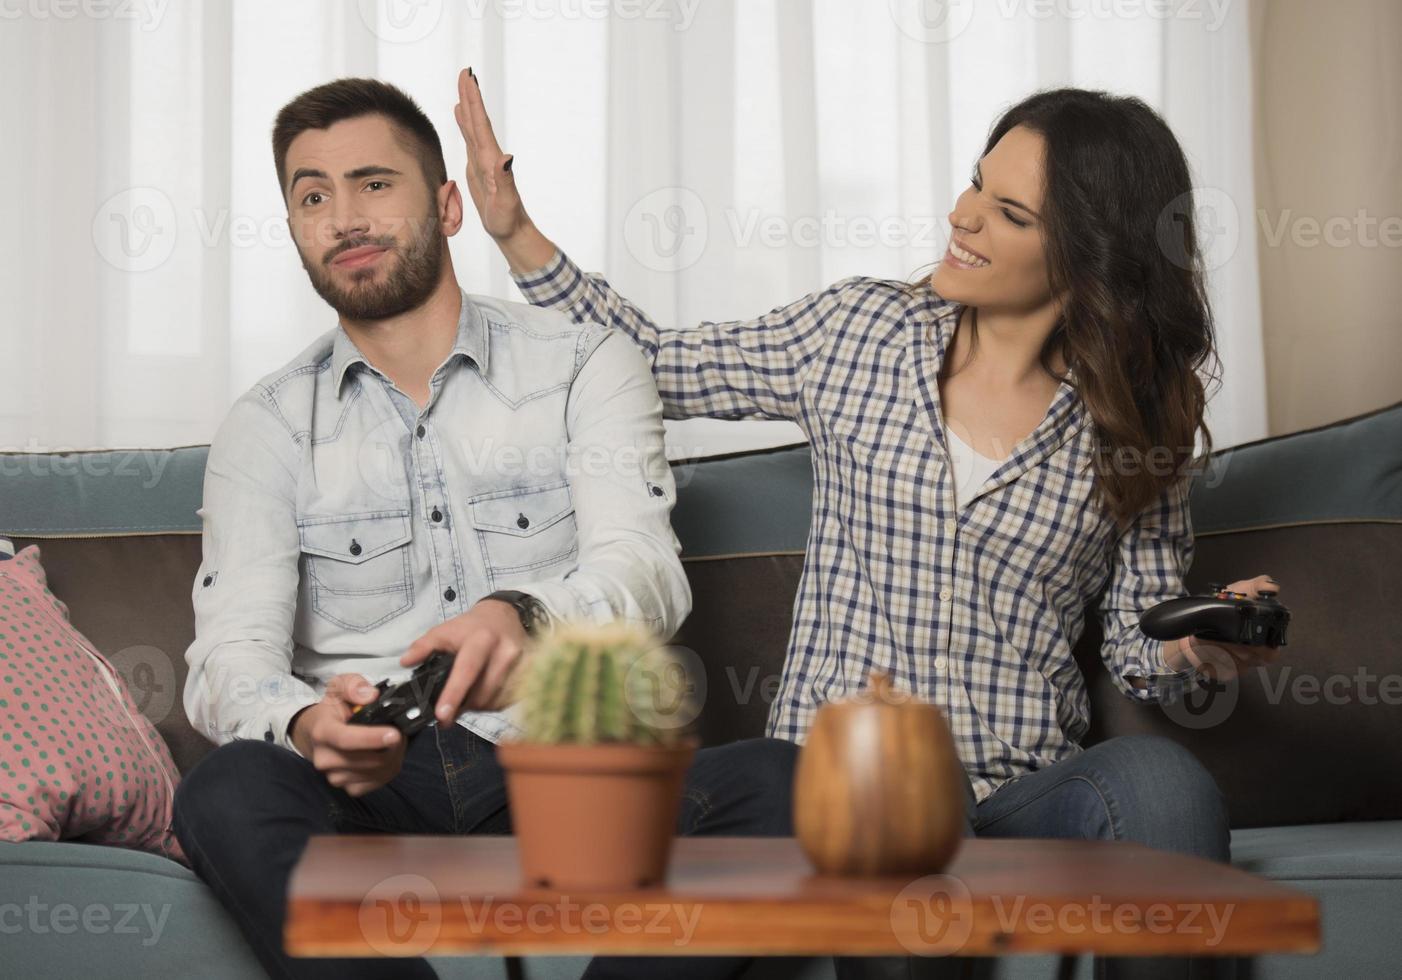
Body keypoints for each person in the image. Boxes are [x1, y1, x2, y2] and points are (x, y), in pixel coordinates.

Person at [460, 68, 1282, 980]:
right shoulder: (859, 332)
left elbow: (1139, 637)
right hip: (841, 778)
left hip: (1017, 785)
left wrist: (1192, 648)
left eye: (1010, 213)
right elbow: (655, 361)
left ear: (1087, 256)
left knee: (1168, 785)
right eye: (976, 182)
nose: (962, 215)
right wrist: (515, 233)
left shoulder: (1134, 421)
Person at [173, 76, 798, 980]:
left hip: (574, 779)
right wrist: (307, 722)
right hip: (375, 791)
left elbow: (646, 573)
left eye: (374, 183)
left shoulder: (588, 364)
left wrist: (524, 614)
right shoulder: (263, 428)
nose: (344, 216)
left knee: (788, 786)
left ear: (449, 203)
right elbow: (228, 661)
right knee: (226, 789)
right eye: (313, 194)